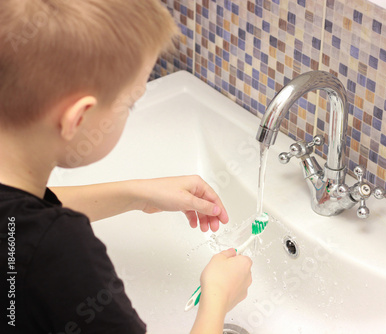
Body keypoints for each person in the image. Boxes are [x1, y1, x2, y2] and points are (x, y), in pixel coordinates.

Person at [0, 1, 252, 333]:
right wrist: (217, 299)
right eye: (130, 104)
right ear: (78, 119)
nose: (130, 111)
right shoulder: (59, 251)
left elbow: (17, 218)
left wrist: (134, 196)